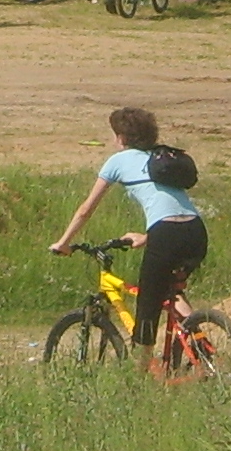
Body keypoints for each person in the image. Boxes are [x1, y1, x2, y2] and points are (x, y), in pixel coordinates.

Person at [46, 106, 212, 382]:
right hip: (195, 231)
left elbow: (86, 209)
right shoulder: (161, 158)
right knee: (171, 292)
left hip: (166, 233)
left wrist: (63, 243)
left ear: (121, 137)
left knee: (148, 305)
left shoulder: (118, 161)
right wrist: (147, 237)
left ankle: (138, 380)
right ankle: (201, 346)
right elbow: (172, 208)